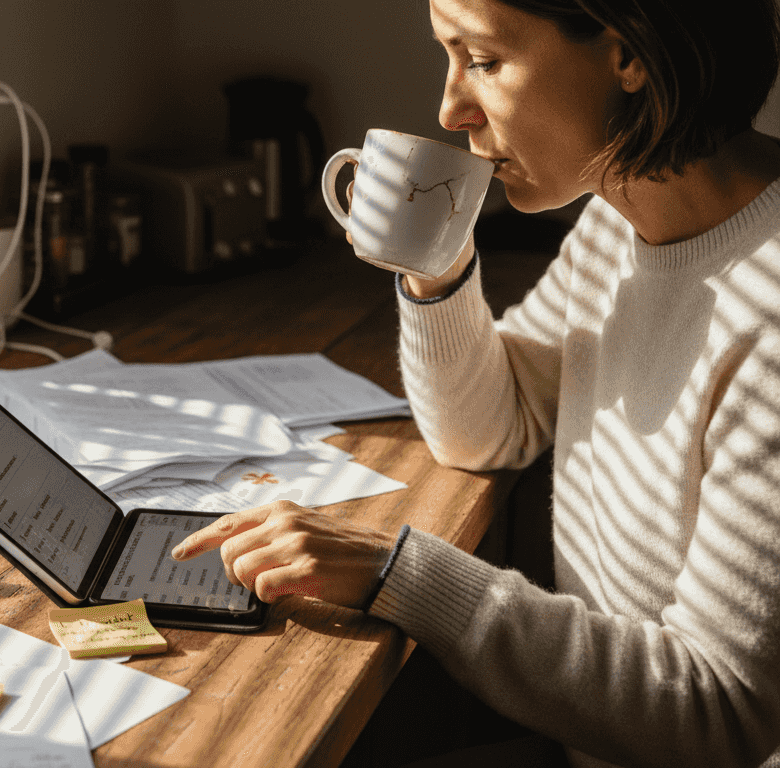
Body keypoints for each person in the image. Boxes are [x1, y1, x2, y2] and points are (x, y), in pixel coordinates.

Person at [171, 0, 780, 766]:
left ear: (629, 57)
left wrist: (403, 573)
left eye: (483, 60)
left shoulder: (768, 317)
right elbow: (490, 427)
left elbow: (719, 713)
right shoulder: (618, 223)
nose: (451, 107)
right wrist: (436, 262)